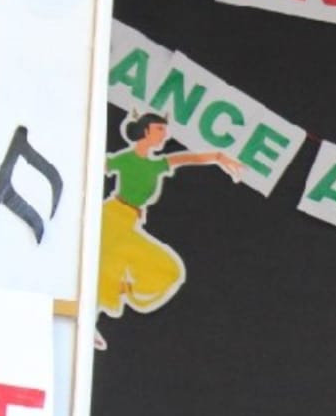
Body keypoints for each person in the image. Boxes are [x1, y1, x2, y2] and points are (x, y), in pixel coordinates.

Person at [96, 112, 244, 348]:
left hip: (128, 221)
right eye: (159, 129)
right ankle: (90, 318)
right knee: (104, 266)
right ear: (145, 131)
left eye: (164, 130)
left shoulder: (157, 165)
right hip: (113, 216)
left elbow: (187, 158)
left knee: (165, 269)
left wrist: (218, 157)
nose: (164, 135)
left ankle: (109, 297)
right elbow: (95, 165)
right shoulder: (126, 159)